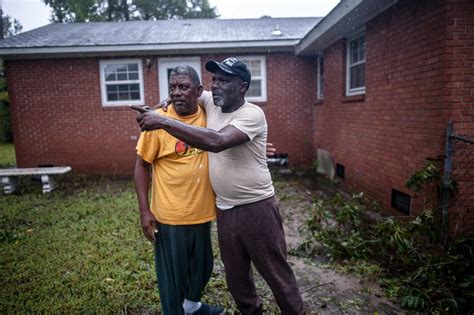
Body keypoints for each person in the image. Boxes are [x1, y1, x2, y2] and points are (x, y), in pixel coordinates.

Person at [132, 57, 305, 315]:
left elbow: (216, 141)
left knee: (276, 275)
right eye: (215, 80)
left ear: (242, 86)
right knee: (237, 280)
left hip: (256, 207)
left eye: (225, 80)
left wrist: (163, 122)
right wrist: (161, 108)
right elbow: (182, 95)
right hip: (224, 209)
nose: (217, 86)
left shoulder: (252, 113)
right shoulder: (212, 101)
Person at [133, 65, 224, 315]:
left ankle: (192, 307)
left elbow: (229, 135)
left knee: (203, 268)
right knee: (172, 279)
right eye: (172, 87)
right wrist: (144, 211)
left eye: (183, 87)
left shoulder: (209, 116)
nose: (176, 93)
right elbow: (141, 167)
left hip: (203, 212)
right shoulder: (156, 122)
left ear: (198, 91)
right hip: (170, 216)